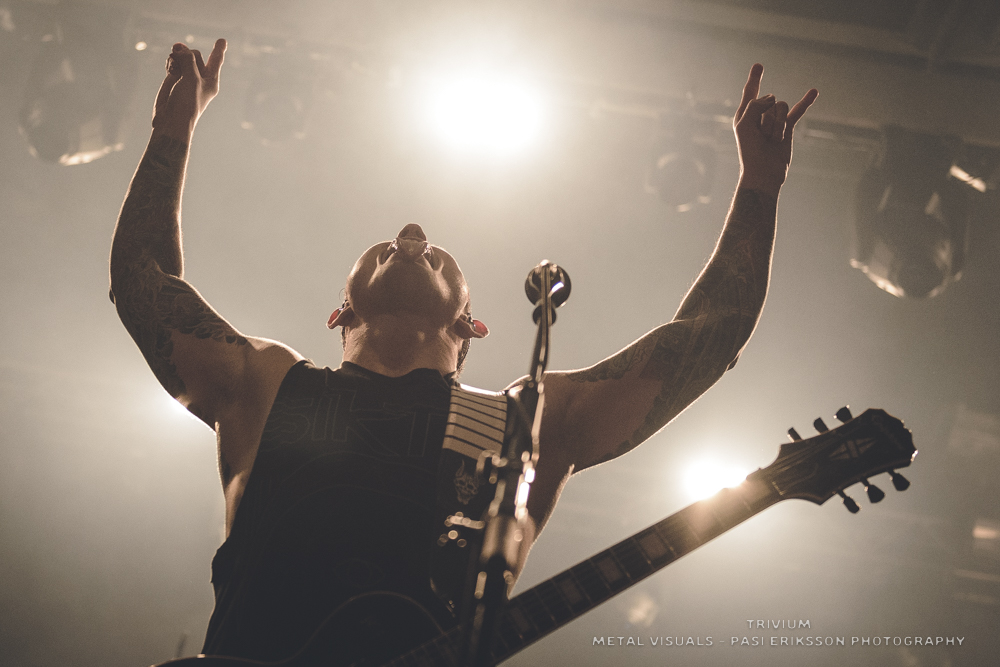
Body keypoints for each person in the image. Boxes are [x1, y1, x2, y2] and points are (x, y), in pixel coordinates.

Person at [109, 39, 816, 663]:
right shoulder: (267, 385)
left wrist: (760, 185)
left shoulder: (525, 423)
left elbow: (708, 337)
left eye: (437, 249)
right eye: (390, 241)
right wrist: (173, 129)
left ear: (470, 326)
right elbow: (143, 282)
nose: (414, 232)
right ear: (340, 311)